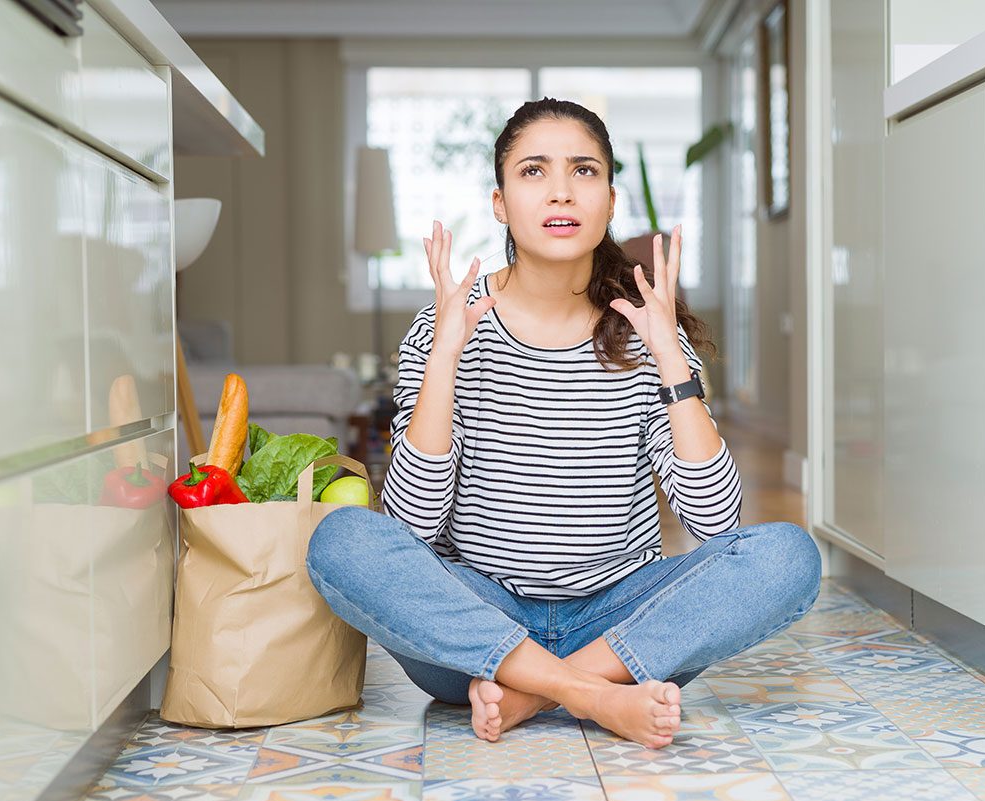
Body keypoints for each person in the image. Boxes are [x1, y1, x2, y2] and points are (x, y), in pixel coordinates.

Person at [306, 97, 822, 750]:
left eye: (583, 171)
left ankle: (538, 689)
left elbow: (715, 523)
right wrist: (444, 357)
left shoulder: (647, 329)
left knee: (789, 556)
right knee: (342, 541)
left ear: (609, 199)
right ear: (499, 202)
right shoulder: (446, 326)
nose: (560, 190)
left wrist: (668, 357)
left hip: (620, 625)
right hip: (478, 626)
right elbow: (411, 527)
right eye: (532, 171)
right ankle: (591, 696)